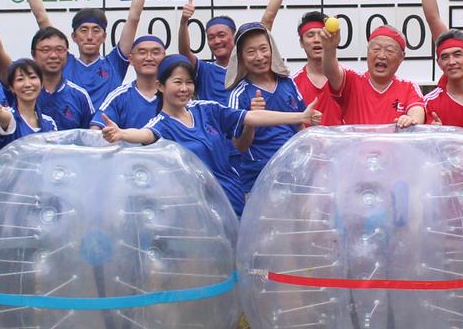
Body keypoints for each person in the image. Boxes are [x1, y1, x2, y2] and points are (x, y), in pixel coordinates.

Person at [101, 54, 320, 216]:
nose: (184, 88)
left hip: (232, 199)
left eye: (189, 82)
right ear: (160, 86)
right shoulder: (162, 124)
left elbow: (252, 117)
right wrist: (121, 133)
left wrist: (300, 116)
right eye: (177, 82)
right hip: (198, 211)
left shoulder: (207, 109)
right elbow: (145, 134)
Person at [5, 0, 159, 105]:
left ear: (104, 36)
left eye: (96, 30)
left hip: (106, 121)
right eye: (84, 30)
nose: (90, 36)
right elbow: (41, 18)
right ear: (74, 36)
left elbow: (133, 17)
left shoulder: (114, 64)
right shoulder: (64, 62)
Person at [223, 21, 308, 200]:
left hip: (294, 175)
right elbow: (239, 146)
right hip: (259, 180)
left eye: (263, 49)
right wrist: (251, 120)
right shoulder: (238, 94)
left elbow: (300, 128)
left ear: (272, 49)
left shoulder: (288, 83)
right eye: (251, 52)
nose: (259, 57)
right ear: (241, 57)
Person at [317, 23, 426, 126]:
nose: (381, 55)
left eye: (389, 50)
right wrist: (329, 49)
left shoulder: (408, 87)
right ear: (368, 52)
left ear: (401, 57)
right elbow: (331, 72)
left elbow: (417, 112)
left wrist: (411, 120)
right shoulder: (352, 81)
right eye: (376, 49)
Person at [97, 34, 169, 130]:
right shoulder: (119, 96)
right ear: (131, 59)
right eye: (142, 53)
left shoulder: (174, 94)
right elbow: (96, 127)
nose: (149, 58)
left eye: (155, 53)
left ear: (164, 58)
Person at [0, 59, 58, 154]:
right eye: (20, 79)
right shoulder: (10, 118)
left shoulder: (49, 123)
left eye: (32, 77)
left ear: (42, 84)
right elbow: (5, 117)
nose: (27, 84)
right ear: (12, 87)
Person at [291, 11, 347, 126]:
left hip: (342, 138)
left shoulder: (347, 79)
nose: (317, 40)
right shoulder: (293, 84)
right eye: (310, 35)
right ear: (301, 42)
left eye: (321, 34)